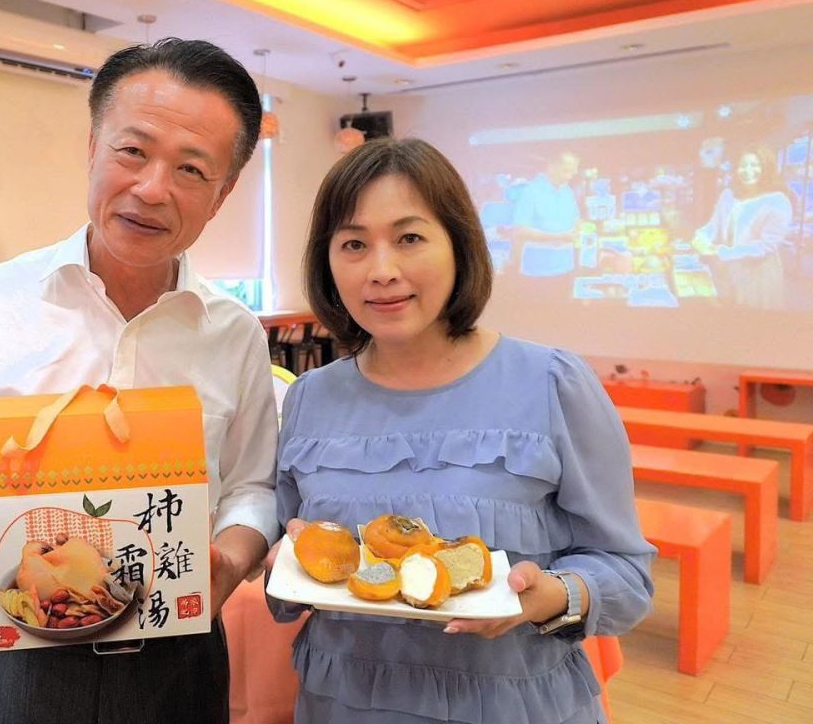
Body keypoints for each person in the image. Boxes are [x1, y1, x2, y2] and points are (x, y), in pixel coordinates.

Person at [0, 38, 280, 724]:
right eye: (133, 150)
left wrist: (229, 563)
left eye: (191, 168)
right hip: (13, 656)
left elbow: (252, 486)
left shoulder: (233, 333)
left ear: (223, 192)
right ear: (92, 146)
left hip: (176, 661)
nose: (152, 188)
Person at [268, 138, 654, 724]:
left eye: (409, 238)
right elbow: (288, 574)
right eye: (353, 244)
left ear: (459, 244)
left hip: (511, 705)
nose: (381, 271)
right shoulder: (310, 399)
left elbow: (626, 573)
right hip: (341, 704)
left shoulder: (551, 383)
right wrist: (283, 562)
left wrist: (547, 596)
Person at [692, 144, 793, 309]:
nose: (748, 171)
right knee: (726, 312)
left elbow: (767, 246)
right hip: (726, 270)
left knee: (752, 319)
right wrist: (701, 236)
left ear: (767, 168)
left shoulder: (777, 200)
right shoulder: (729, 195)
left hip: (757, 276)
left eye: (754, 165)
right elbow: (714, 225)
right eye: (743, 166)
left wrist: (725, 252)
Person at [510, 150, 581, 279]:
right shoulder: (530, 192)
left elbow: (575, 219)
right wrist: (557, 237)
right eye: (566, 171)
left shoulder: (567, 191)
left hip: (566, 266)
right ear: (551, 167)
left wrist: (577, 230)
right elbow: (520, 231)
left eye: (573, 172)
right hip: (538, 270)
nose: (569, 177)